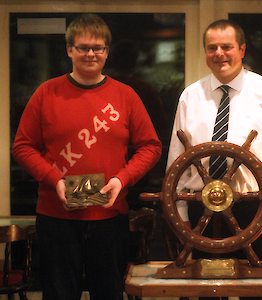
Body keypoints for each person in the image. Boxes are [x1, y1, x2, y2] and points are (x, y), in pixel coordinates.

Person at [12, 14, 162, 300]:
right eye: (83, 47)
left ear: (107, 51)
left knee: (108, 294)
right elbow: (22, 147)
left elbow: (151, 147)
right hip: (56, 216)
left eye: (98, 48)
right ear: (69, 50)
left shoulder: (126, 95)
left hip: (109, 215)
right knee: (58, 294)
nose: (91, 54)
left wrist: (123, 178)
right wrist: (55, 179)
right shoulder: (47, 92)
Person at [166, 19, 262, 300]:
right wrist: (178, 212)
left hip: (254, 207)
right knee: (202, 291)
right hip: (199, 207)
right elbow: (176, 160)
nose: (219, 53)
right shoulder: (190, 96)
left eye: (226, 47)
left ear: (241, 49)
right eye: (212, 47)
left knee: (255, 290)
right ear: (205, 52)